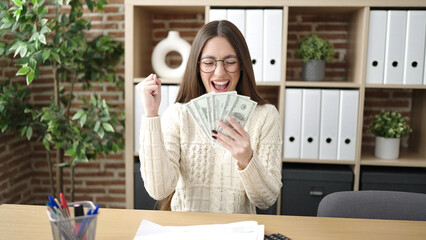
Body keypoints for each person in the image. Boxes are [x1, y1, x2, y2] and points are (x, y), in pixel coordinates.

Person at [138, 20, 282, 214]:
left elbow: (267, 200)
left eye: (230, 62)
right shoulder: (178, 115)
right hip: (186, 231)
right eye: (209, 63)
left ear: (242, 65)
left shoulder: (265, 116)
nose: (220, 72)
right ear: (197, 66)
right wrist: (151, 115)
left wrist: (247, 159)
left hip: (237, 231)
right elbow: (158, 189)